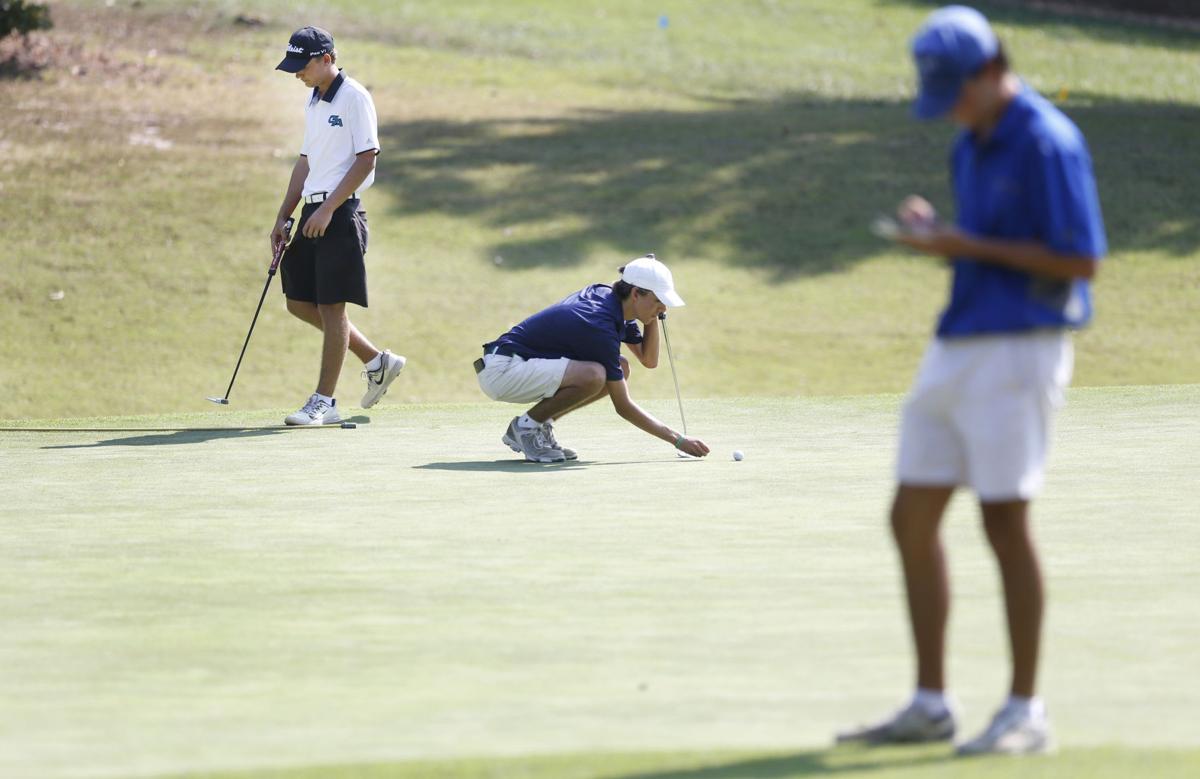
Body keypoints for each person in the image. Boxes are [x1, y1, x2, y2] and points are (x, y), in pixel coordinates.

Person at [837, 5, 1106, 756]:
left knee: (1003, 522)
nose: (950, 106)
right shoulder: (972, 141)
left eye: (957, 90)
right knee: (910, 516)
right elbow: (988, 244)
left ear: (992, 71)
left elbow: (1080, 260)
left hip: (1023, 346)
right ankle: (931, 703)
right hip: (959, 342)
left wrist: (967, 243)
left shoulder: (1049, 142)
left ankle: (1026, 711)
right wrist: (940, 237)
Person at [271, 26, 406, 426]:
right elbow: (305, 162)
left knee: (332, 308)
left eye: (303, 66)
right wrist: (283, 215)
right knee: (298, 301)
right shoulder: (314, 101)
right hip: (314, 213)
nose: (298, 74)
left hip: (340, 213)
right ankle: (376, 360)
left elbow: (367, 160)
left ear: (326, 59)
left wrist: (329, 209)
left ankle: (324, 403)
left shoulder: (354, 98)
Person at [475, 255, 710, 463]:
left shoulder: (616, 304)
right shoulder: (598, 323)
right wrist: (677, 440)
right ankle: (526, 427)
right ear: (636, 294)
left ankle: (537, 425)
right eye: (659, 301)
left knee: (620, 367)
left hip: (518, 367)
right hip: (503, 370)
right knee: (595, 375)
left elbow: (648, 359)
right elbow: (623, 406)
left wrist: (654, 315)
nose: (662, 309)